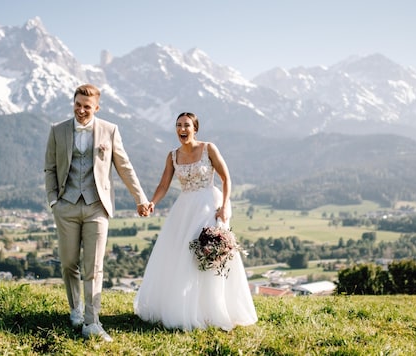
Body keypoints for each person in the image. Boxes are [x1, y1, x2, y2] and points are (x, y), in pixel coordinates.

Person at [44, 83, 149, 342]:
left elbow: (125, 167)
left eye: (87, 107)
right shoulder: (57, 130)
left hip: (97, 207)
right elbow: (49, 168)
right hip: (66, 206)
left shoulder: (109, 130)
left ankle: (92, 322)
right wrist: (53, 202)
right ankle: (75, 310)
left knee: (94, 267)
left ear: (97, 108)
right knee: (69, 264)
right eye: (77, 105)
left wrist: (140, 198)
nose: (81, 110)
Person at [134, 112, 257, 331]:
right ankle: (185, 308)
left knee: (209, 253)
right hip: (184, 208)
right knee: (182, 256)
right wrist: (152, 202)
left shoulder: (208, 148)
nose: (182, 129)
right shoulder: (172, 155)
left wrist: (225, 206)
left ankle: (214, 310)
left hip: (210, 206)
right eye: (178, 125)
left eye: (187, 125)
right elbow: (164, 185)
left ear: (195, 128)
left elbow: (225, 178)